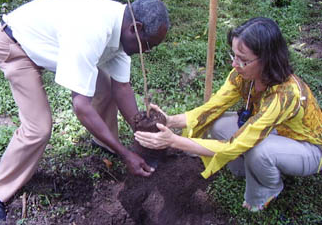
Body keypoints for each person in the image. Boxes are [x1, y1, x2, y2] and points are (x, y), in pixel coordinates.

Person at [0, 0, 170, 223]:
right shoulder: (92, 30)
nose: (147, 52)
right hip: (17, 47)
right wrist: (125, 154)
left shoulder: (122, 26)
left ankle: (104, 142)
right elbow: (81, 106)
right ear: (135, 28)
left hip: (52, 44)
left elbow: (122, 88)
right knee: (38, 128)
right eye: (148, 45)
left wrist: (142, 135)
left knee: (106, 86)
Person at [135, 17, 322, 212]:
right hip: (273, 131)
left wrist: (172, 141)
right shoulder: (242, 75)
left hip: (307, 148)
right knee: (218, 124)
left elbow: (233, 145)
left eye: (243, 60)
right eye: (234, 55)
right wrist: (170, 120)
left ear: (267, 59)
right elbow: (210, 109)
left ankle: (269, 188)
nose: (235, 64)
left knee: (260, 150)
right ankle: (248, 169)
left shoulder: (285, 95)